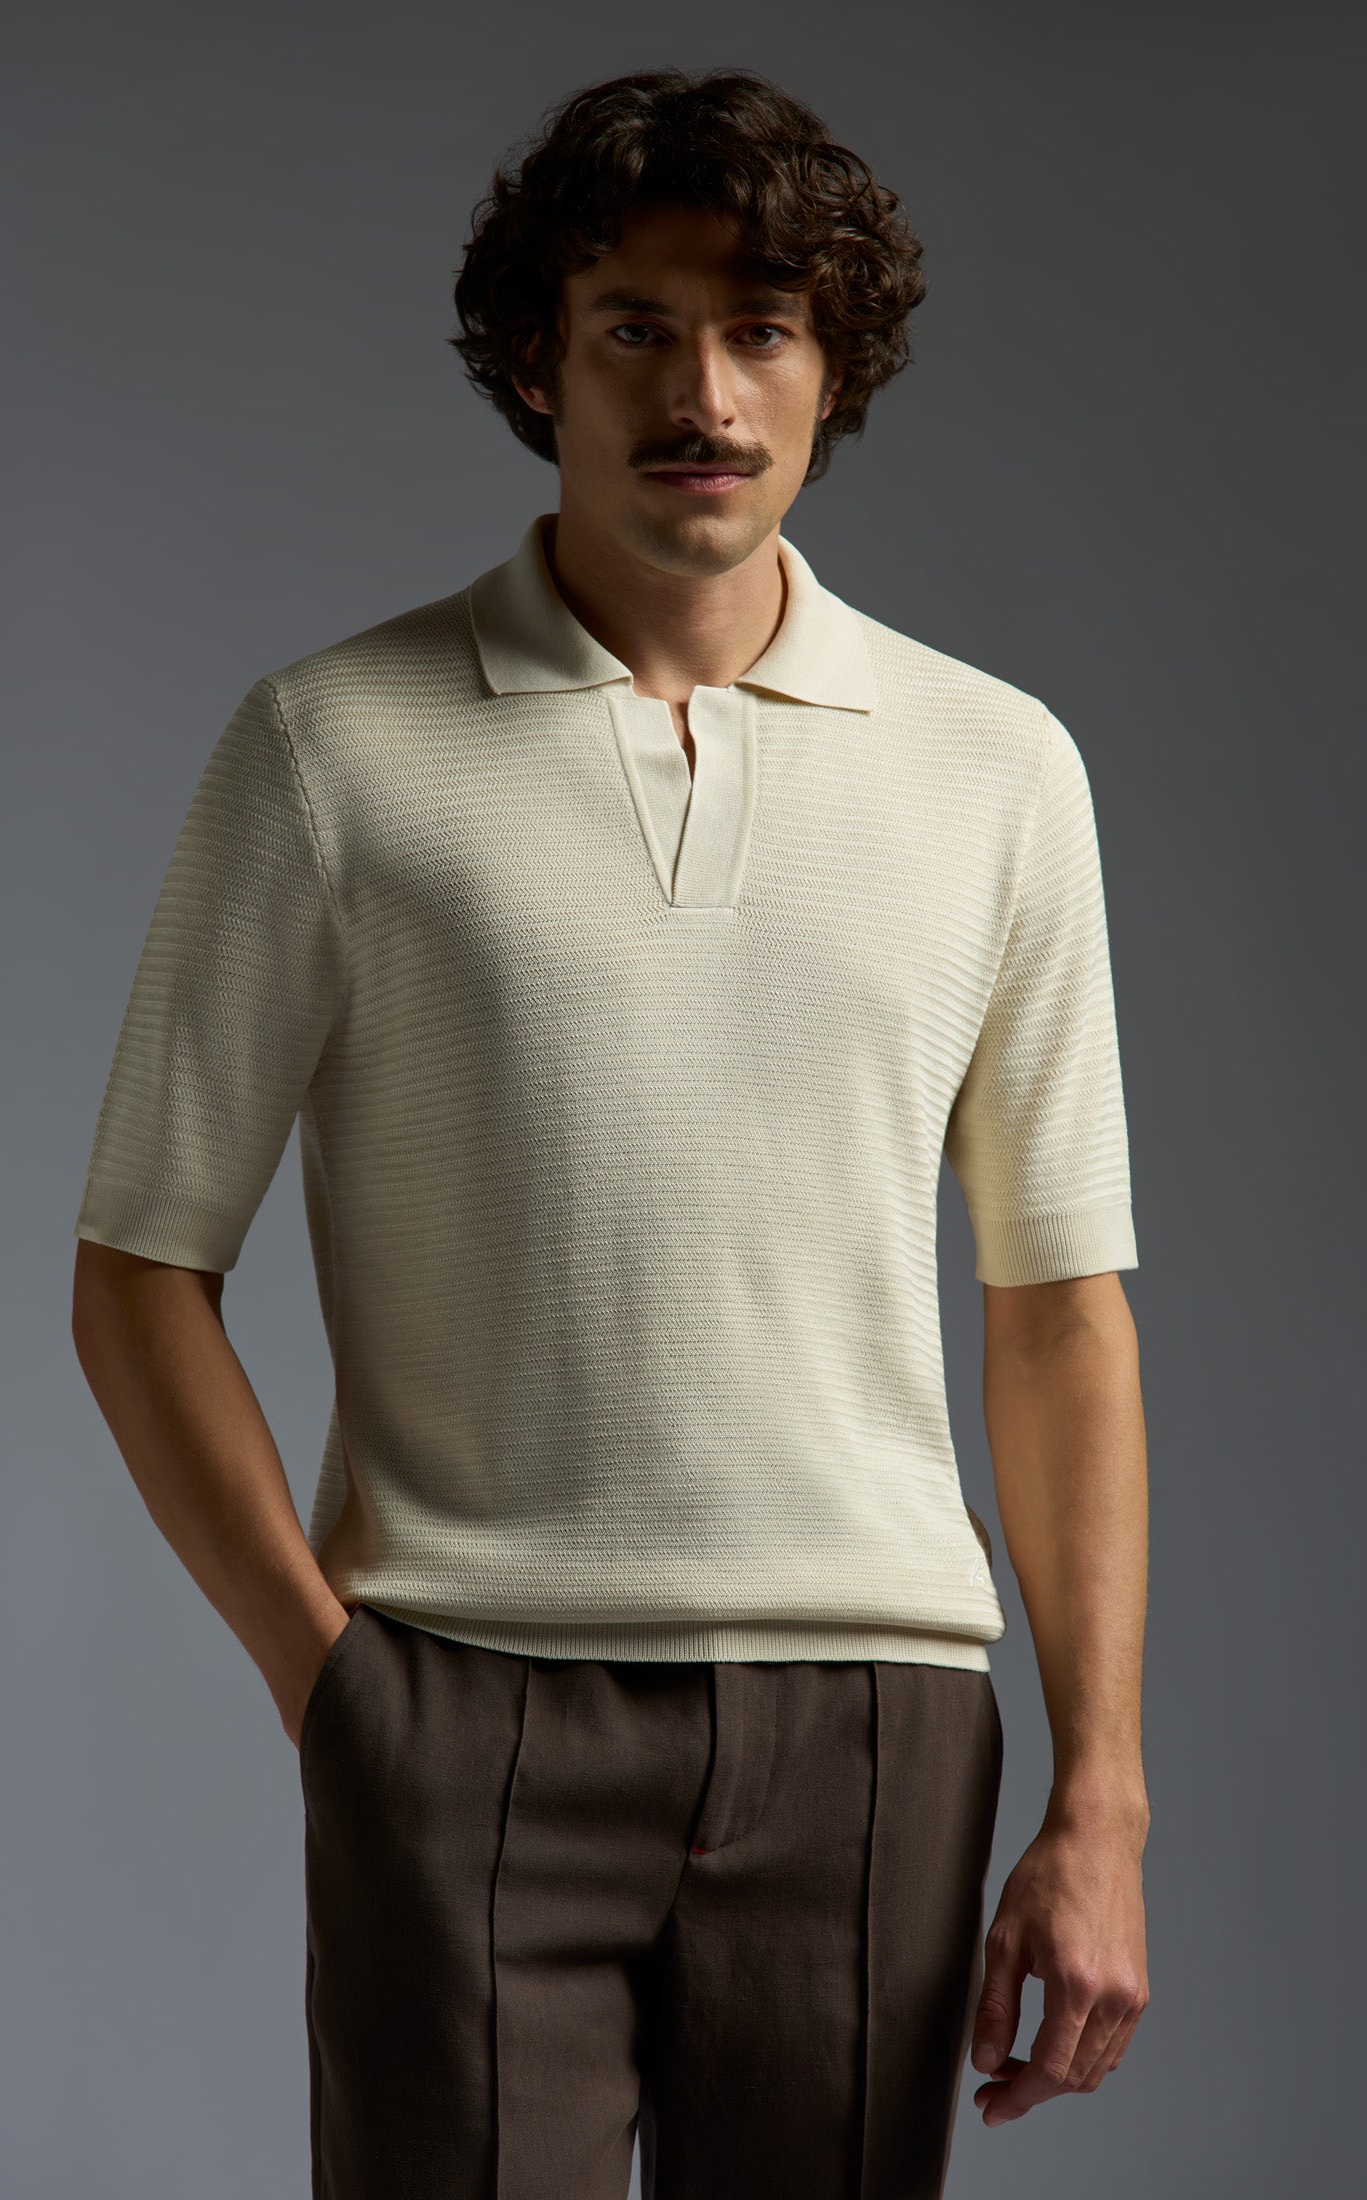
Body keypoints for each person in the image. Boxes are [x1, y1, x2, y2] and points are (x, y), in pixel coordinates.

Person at [71, 65, 1150, 2200]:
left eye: (761, 329)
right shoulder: (329, 749)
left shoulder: (997, 770)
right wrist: (334, 1689)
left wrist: (1099, 1795)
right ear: (532, 362)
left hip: (873, 1720)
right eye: (634, 328)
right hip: (458, 1705)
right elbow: (136, 1271)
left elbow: (1058, 1313)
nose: (702, 393)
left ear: (830, 372)